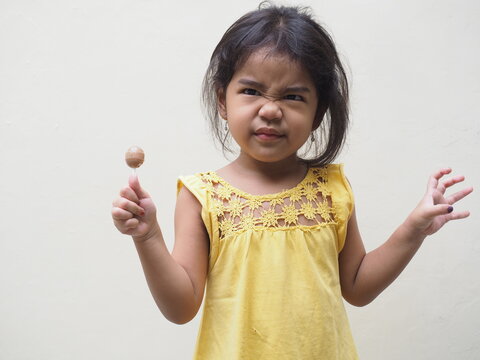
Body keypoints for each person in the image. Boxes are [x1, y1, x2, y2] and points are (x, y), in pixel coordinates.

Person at [111, 4, 473, 359]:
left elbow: (358, 287)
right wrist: (148, 236)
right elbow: (181, 307)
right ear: (223, 100)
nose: (270, 110)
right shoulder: (201, 196)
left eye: (293, 96)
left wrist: (414, 229)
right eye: (252, 91)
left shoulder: (332, 190)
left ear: (318, 114)